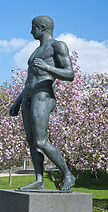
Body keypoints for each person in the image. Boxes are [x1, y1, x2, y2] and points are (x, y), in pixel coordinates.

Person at [10, 16, 75, 191]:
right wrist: (17, 101)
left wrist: (47, 68)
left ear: (42, 28)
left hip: (43, 95)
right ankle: (39, 180)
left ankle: (68, 174)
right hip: (28, 97)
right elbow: (30, 80)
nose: (31, 31)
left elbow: (70, 74)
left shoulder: (58, 46)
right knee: (32, 141)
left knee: (40, 140)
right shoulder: (36, 51)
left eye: (33, 28)